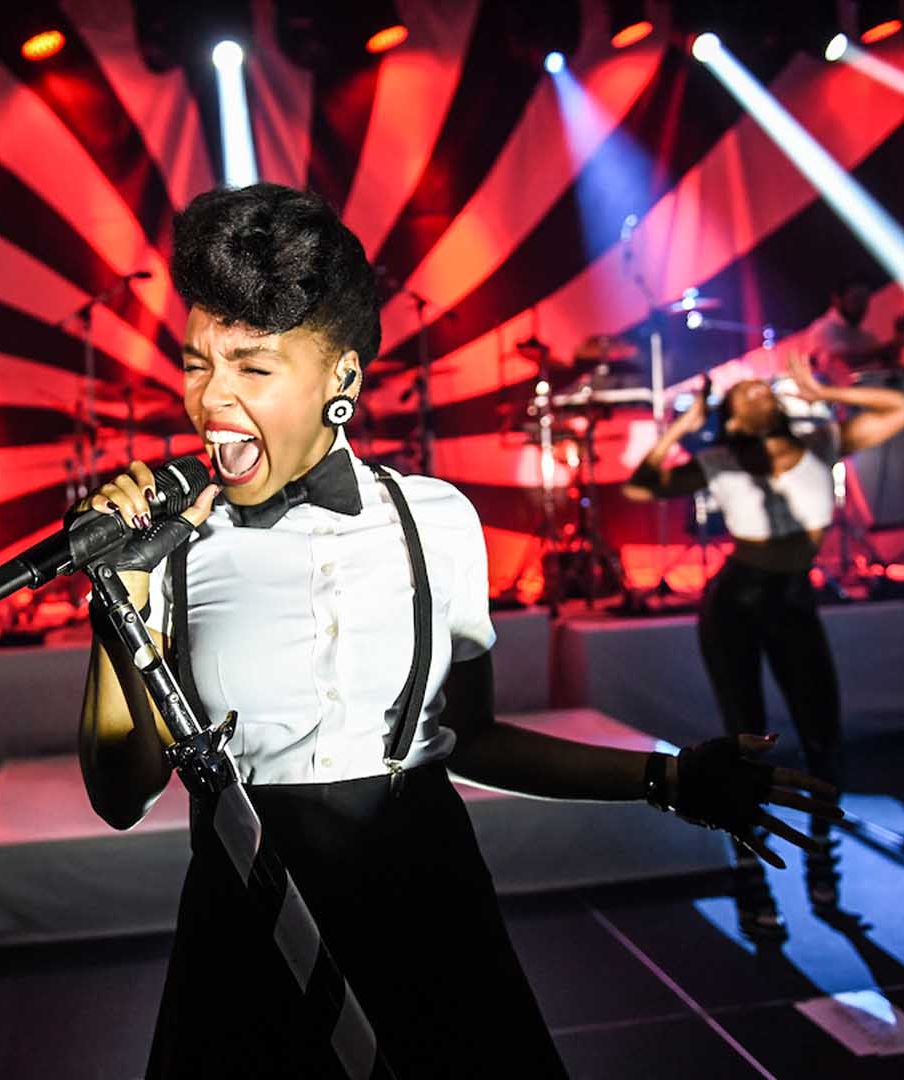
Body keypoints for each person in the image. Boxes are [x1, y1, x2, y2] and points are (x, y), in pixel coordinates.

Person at [77, 183, 840, 1079]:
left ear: (342, 380)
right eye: (196, 364)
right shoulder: (171, 547)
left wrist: (666, 779)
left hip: (426, 910)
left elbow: (469, 737)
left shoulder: (436, 520)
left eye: (252, 368)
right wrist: (118, 594)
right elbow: (121, 795)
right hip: (248, 918)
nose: (211, 398)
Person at [623, 356, 904, 940]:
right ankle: (751, 875)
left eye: (764, 387)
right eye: (746, 392)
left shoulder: (822, 442)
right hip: (734, 605)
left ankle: (820, 858)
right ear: (733, 419)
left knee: (823, 737)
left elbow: (903, 408)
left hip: (793, 602)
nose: (758, 391)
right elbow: (639, 486)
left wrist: (823, 391)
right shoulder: (719, 460)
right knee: (746, 744)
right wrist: (684, 426)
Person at [805, 275, 904, 385]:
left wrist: (900, 336)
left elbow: (886, 360)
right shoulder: (823, 328)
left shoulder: (866, 336)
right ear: (837, 299)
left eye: (865, 300)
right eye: (856, 299)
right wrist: (895, 343)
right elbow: (846, 359)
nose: (862, 306)